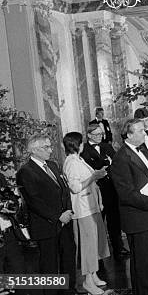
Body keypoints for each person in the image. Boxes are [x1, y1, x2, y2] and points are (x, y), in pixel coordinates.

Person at [16, 134, 77, 295]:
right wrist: (58, 216)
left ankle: (69, 290)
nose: (51, 150)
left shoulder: (53, 165)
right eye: (47, 147)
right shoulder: (25, 171)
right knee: (49, 264)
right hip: (46, 225)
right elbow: (34, 201)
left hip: (65, 221)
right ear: (34, 150)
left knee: (68, 258)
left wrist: (68, 211)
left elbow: (64, 190)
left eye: (50, 146)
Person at [110, 119, 148, 295]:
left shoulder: (143, 150)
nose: (145, 133)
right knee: (141, 263)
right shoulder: (121, 158)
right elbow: (126, 194)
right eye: (141, 131)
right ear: (129, 134)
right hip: (137, 216)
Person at [62, 132, 110, 295]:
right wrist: (94, 176)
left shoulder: (79, 160)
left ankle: (94, 275)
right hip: (83, 209)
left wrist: (97, 174)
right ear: (76, 144)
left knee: (96, 243)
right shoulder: (71, 163)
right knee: (88, 246)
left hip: (92, 206)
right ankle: (87, 282)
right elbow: (75, 187)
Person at [81, 123, 129, 261]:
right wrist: (103, 166)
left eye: (101, 134)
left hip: (111, 188)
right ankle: (98, 252)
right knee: (98, 221)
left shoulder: (106, 146)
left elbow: (115, 161)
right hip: (97, 189)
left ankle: (119, 248)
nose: (99, 137)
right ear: (89, 135)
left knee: (115, 220)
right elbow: (89, 168)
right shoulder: (84, 150)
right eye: (96, 134)